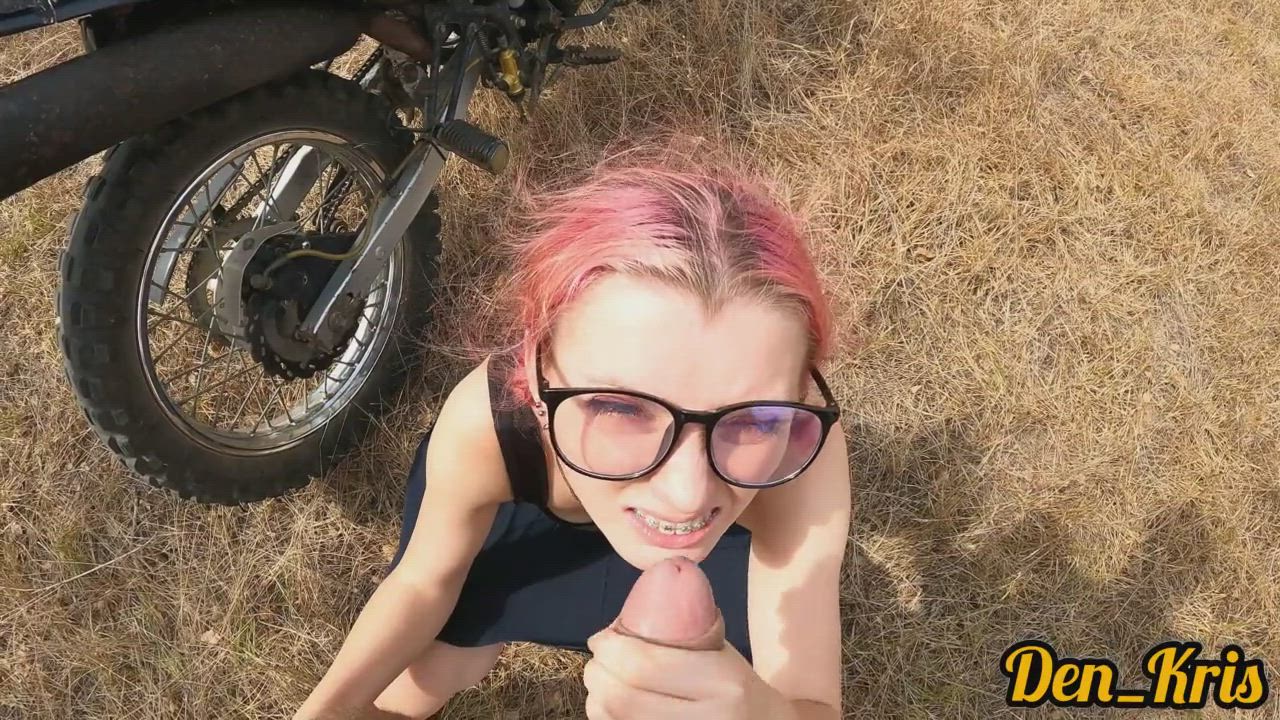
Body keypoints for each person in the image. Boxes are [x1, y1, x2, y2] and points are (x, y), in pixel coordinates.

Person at [293, 147, 852, 720]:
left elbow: (811, 702)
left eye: (754, 420)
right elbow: (424, 581)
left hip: (717, 559)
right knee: (427, 677)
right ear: (534, 375)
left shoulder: (801, 450)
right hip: (530, 536)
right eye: (619, 408)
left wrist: (766, 714)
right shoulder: (489, 425)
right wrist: (327, 710)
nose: (686, 495)